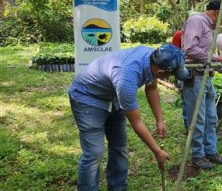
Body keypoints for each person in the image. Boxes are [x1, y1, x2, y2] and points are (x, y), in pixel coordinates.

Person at [68, 44, 189, 190]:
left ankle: (117, 187)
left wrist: (160, 120)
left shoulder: (153, 58)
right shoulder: (127, 76)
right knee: (94, 153)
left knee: (119, 147)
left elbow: (151, 87)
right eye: (169, 75)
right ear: (160, 71)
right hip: (87, 97)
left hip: (113, 96)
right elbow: (136, 122)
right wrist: (157, 151)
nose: (170, 78)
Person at [181, 0, 222, 170]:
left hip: (206, 77)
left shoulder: (209, 29)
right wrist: (218, 58)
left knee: (211, 118)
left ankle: (210, 151)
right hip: (195, 77)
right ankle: (198, 155)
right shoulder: (197, 21)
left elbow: (206, 58)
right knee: (198, 119)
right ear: (216, 12)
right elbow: (190, 49)